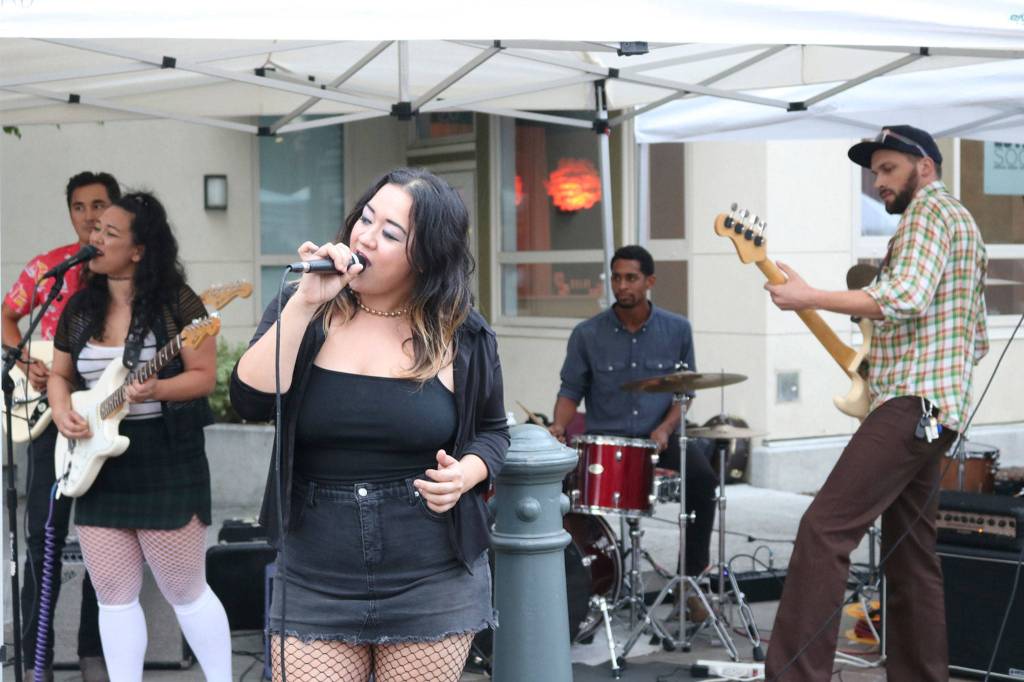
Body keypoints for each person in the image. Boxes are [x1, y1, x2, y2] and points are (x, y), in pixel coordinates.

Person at [231, 167, 509, 682]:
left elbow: (494, 432)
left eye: (391, 233)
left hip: (430, 571)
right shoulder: (305, 306)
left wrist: (464, 475)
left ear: (425, 257)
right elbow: (249, 399)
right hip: (315, 570)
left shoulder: (461, 331)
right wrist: (304, 304)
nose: (365, 237)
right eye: (366, 218)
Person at [763, 125, 988, 681]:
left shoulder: (928, 214)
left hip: (912, 405)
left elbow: (904, 296)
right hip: (939, 410)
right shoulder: (961, 221)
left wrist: (809, 296)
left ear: (925, 167)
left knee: (824, 529)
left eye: (889, 169)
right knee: (912, 555)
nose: (878, 182)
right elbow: (976, 337)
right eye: (874, 173)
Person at [47, 191, 232, 682]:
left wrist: (159, 388)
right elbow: (60, 375)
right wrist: (62, 410)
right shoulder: (80, 307)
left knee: (184, 589)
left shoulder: (179, 303)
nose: (95, 237)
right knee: (112, 594)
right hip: (98, 463)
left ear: (139, 250)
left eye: (109, 232)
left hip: (165, 457)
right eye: (94, 229)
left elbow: (203, 377)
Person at [548, 245, 717, 619]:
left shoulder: (678, 329)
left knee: (704, 481)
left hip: (659, 439)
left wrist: (666, 428)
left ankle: (690, 583)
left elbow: (685, 391)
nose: (622, 286)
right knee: (554, 488)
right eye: (616, 278)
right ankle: (578, 584)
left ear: (649, 281)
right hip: (606, 442)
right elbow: (570, 391)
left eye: (631, 278)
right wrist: (559, 426)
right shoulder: (586, 334)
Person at [2, 171, 120, 682]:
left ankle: (95, 654)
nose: (89, 216)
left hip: (103, 417)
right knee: (40, 537)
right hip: (48, 417)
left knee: (104, 542)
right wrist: (25, 358)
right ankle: (36, 660)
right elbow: (7, 315)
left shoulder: (124, 271)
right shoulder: (50, 268)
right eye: (79, 206)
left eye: (99, 205)